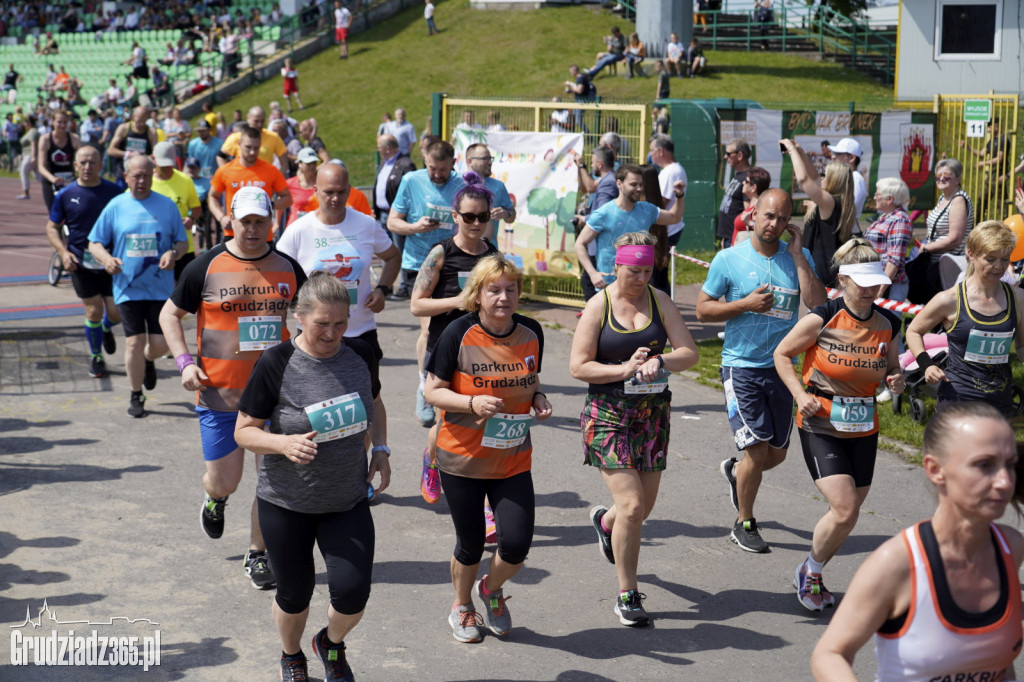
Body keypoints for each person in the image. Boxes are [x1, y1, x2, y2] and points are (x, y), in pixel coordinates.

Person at [235, 272, 391, 682]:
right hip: (287, 503)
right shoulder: (276, 362)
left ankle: (331, 643)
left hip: (347, 499)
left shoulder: (360, 355)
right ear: (299, 316)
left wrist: (382, 449)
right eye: (322, 322)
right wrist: (283, 444)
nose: (332, 333)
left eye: (341, 323)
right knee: (294, 594)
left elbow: (374, 402)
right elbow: (244, 429)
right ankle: (292, 656)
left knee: (354, 594)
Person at [810, 402, 1023, 681]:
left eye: (1010, 465)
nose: (1005, 481)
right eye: (985, 465)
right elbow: (829, 654)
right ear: (935, 470)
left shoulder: (1010, 548)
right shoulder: (899, 562)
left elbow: (996, 663)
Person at [160, 186, 306, 591]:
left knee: (271, 481)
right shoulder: (204, 266)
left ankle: (258, 553)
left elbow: (311, 319)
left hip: (275, 398)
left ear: (272, 222)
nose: (254, 228)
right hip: (219, 396)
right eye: (246, 221)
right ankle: (215, 498)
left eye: (261, 221)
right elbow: (169, 315)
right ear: (231, 221)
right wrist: (185, 363)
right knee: (226, 480)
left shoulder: (289, 268)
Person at [570, 231, 699, 626]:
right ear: (616, 266)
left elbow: (689, 353)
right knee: (633, 506)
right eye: (633, 271)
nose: (641, 278)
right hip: (607, 414)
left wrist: (660, 361)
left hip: (652, 416)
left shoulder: (660, 301)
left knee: (638, 511)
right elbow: (578, 366)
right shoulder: (599, 305)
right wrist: (623, 369)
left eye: (647, 270)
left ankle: (605, 523)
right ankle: (628, 594)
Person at [423, 254, 552, 642]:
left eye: (510, 290)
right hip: (462, 457)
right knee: (471, 543)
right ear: (477, 295)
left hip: (512, 456)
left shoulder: (531, 331)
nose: (503, 297)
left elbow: (531, 378)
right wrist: (471, 403)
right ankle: (462, 608)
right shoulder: (457, 333)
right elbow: (432, 391)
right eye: (493, 290)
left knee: (515, 545)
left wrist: (539, 398)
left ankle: (490, 590)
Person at [773, 239, 904, 612]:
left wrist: (896, 379)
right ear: (843, 279)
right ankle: (811, 573)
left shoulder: (889, 323)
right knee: (845, 509)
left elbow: (892, 367)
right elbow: (782, 355)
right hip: (821, 423)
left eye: (875, 281)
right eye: (861, 281)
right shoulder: (823, 316)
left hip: (864, 426)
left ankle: (811, 566)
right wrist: (800, 396)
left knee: (847, 515)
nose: (870, 289)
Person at [696, 188, 826, 553]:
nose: (775, 224)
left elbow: (818, 304)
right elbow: (704, 310)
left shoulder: (796, 258)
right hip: (741, 366)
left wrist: (799, 257)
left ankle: (737, 476)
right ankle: (745, 522)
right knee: (757, 448)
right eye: (769, 216)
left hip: (783, 368)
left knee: (777, 454)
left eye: (783, 219)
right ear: (753, 214)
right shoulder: (728, 258)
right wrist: (744, 304)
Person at [278, 161, 401, 461]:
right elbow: (277, 271)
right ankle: (322, 468)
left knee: (366, 402)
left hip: (359, 330)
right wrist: (294, 307)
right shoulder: (299, 231)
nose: (335, 199)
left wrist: (382, 290)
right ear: (315, 190)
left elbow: (392, 256)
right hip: (314, 334)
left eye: (342, 192)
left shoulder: (366, 224)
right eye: (329, 192)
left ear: (350, 191)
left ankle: (357, 468)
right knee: (316, 406)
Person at [411, 172, 500, 506]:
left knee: (483, 420)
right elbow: (416, 305)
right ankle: (432, 460)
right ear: (455, 217)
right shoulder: (441, 253)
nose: (475, 223)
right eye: (469, 216)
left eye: (482, 216)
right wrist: (457, 302)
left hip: (484, 351)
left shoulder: (492, 255)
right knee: (447, 420)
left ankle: (486, 503)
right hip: (445, 349)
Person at [87, 155, 188, 417]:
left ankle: (149, 360)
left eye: (146, 175)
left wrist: (173, 254)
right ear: (126, 177)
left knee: (159, 345)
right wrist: (107, 259)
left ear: (152, 175)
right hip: (127, 286)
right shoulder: (115, 206)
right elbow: (94, 243)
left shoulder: (166, 206)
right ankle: (136, 394)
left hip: (160, 288)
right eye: (137, 175)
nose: (142, 180)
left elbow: (182, 242)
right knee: (133, 342)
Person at [907, 221, 1024, 418]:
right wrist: (926, 364)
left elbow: (1021, 347)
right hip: (957, 400)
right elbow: (913, 331)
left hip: (1000, 402)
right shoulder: (949, 299)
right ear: (971, 254)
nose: (998, 267)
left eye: (1005, 260)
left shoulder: (1018, 298)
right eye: (990, 259)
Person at [388, 139, 466, 428]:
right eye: (432, 168)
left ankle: (448, 386)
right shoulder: (411, 181)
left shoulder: (461, 184)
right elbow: (393, 222)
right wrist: (415, 227)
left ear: (453, 163)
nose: (437, 175)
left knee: (455, 327)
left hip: (453, 263)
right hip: (418, 263)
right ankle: (425, 388)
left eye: (443, 169)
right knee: (429, 327)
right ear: (425, 162)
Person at [45, 146, 124, 379]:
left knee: (116, 312)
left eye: (92, 162)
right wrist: (62, 252)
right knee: (93, 310)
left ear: (101, 165)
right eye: (83, 163)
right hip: (81, 262)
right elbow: (52, 227)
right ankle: (96, 357)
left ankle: (107, 328)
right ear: (75, 166)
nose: (88, 167)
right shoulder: (65, 195)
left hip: (110, 261)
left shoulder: (115, 192)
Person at [575, 164, 686, 295]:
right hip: (610, 287)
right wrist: (593, 274)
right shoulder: (604, 213)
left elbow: (674, 218)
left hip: (640, 285)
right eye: (634, 184)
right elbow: (580, 244)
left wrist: (679, 196)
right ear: (619, 184)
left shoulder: (647, 209)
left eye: (641, 184)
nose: (639, 189)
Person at [782, 138, 857, 289]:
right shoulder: (835, 201)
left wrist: (791, 151)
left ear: (834, 181)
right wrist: (800, 151)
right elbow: (813, 176)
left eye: (825, 175)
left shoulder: (830, 202)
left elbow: (804, 180)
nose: (820, 177)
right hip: (824, 272)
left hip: (822, 275)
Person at [908, 158, 975, 305]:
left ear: (957, 179)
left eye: (946, 176)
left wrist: (926, 248)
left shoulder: (958, 200)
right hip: (935, 262)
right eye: (938, 176)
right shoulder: (943, 198)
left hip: (947, 266)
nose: (941, 179)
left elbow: (955, 238)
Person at [208, 125, 292, 241]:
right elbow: (212, 196)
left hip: (263, 237)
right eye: (248, 147)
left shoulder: (271, 171)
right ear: (239, 143)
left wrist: (269, 205)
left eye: (256, 148)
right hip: (233, 235)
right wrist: (221, 217)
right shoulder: (226, 170)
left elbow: (287, 198)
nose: (252, 152)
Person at [572, 145, 618, 301]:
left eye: (592, 163)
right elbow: (586, 187)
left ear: (600, 164)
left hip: (599, 242)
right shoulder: (607, 179)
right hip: (599, 242)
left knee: (590, 282)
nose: (591, 166)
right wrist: (580, 168)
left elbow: (603, 214)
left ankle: (596, 317)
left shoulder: (607, 183)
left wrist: (584, 219)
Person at [150, 141, 201, 280]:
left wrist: (191, 219)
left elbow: (196, 208)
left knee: (184, 291)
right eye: (162, 165)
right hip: (156, 247)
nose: (167, 168)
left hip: (183, 246)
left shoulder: (185, 180)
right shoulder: (146, 182)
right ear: (153, 159)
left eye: (169, 164)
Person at [863, 177, 913, 302]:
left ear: (890, 199)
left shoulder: (900, 219)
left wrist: (879, 292)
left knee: (887, 320)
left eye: (877, 194)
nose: (874, 198)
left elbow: (894, 261)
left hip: (889, 287)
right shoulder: (886, 216)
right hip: (875, 281)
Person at [464, 143, 516, 241]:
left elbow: (512, 216)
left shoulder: (498, 186)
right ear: (470, 161)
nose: (490, 162)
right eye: (485, 159)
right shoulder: (457, 183)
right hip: (459, 250)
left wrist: (506, 214)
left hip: (488, 251)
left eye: (490, 158)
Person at [372, 133, 416, 243]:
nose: (378, 150)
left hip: (398, 217)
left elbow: (411, 192)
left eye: (379, 147)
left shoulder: (406, 164)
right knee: (387, 249)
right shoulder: (383, 163)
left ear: (387, 149)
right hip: (382, 215)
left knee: (398, 251)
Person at [648, 134, 688, 251]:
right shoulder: (671, 170)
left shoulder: (671, 172)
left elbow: (660, 203)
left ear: (660, 151)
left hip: (666, 232)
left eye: (651, 150)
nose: (650, 154)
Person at [37, 109, 81, 211]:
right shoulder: (45, 140)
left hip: (69, 180)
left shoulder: (74, 139)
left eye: (65, 122)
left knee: (73, 211)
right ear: (53, 122)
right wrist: (53, 179)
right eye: (59, 122)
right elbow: (41, 166)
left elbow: (81, 160)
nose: (62, 125)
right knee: (54, 213)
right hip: (51, 180)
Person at [218, 106, 289, 169]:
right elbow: (220, 157)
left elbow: (284, 163)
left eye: (262, 121)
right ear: (248, 118)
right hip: (242, 180)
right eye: (256, 121)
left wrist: (277, 180)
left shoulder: (273, 137)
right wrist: (228, 176)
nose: (259, 125)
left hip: (265, 180)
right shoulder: (236, 137)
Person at [717, 138, 752, 248]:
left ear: (740, 155)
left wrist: (736, 239)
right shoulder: (738, 175)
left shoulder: (748, 178)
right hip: (729, 237)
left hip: (737, 239)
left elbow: (749, 211)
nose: (725, 157)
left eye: (728, 153)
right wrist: (725, 238)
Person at [108, 105, 158, 179]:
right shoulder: (124, 128)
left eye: (144, 121)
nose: (142, 124)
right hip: (123, 173)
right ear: (134, 116)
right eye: (140, 121)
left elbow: (155, 155)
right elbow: (111, 150)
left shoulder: (151, 132)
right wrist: (129, 154)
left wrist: (143, 158)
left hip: (142, 176)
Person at [729, 166, 771, 246]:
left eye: (746, 181)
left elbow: (767, 231)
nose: (743, 183)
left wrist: (750, 223)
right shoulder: (751, 207)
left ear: (753, 187)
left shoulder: (760, 209)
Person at [829, 137, 868, 218]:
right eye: (834, 153)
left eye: (838, 153)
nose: (833, 157)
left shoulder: (856, 179)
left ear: (852, 158)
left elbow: (848, 210)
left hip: (846, 230)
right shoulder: (849, 177)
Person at [285, 146, 321, 227]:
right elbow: (280, 203)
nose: (312, 166)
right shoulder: (290, 183)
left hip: (316, 227)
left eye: (314, 163)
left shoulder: (322, 183)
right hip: (295, 227)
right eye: (308, 163)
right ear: (300, 164)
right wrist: (277, 223)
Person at [186, 119, 222, 185]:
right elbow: (189, 163)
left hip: (215, 179)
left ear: (209, 129)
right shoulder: (192, 144)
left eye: (203, 130)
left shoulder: (219, 144)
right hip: (198, 180)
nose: (201, 133)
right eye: (199, 131)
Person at [563, 65, 596, 132]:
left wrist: (570, 84)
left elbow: (579, 90)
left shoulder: (580, 78)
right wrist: (571, 91)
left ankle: (588, 134)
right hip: (581, 100)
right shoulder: (581, 78)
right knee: (574, 118)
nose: (570, 73)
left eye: (571, 71)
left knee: (578, 120)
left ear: (575, 71)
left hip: (583, 101)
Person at [17, 114, 39, 200]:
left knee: (23, 172)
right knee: (39, 176)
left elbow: (33, 144)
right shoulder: (30, 131)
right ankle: (53, 187)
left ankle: (25, 192)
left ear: (29, 123)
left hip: (30, 155)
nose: (24, 123)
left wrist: (33, 156)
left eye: (26, 122)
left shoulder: (33, 132)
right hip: (28, 155)